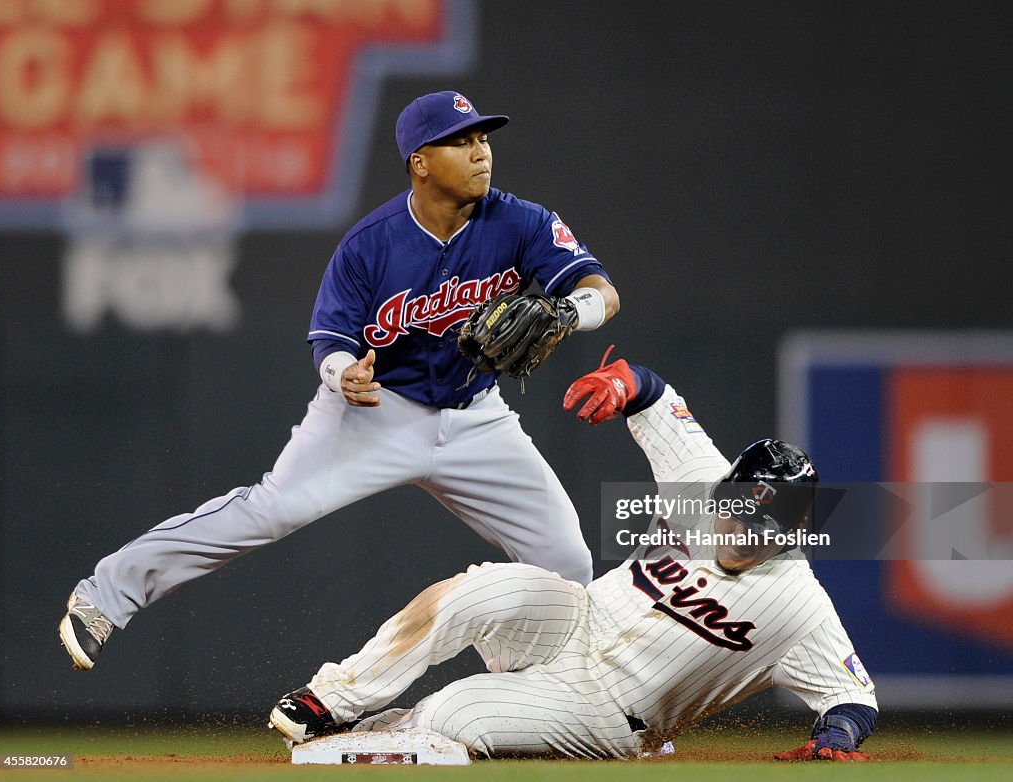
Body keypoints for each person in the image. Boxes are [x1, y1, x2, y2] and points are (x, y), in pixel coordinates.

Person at [59, 91, 619, 671]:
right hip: (374, 410)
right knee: (270, 511)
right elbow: (329, 339)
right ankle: (104, 595)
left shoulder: (522, 221)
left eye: (483, 139)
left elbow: (603, 289)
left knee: (566, 561)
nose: (481, 153)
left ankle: (526, 690)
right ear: (419, 162)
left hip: (476, 415)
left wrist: (572, 312)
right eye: (461, 141)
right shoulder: (369, 244)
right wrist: (342, 373)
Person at [267, 351, 878, 761]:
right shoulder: (703, 479)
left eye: (758, 526)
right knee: (478, 591)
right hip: (575, 619)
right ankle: (335, 702)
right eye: (733, 509)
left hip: (608, 709)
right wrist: (622, 383)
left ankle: (381, 738)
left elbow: (854, 698)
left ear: (790, 531)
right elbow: (655, 395)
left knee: (455, 716)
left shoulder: (799, 604)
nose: (738, 530)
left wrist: (837, 736)